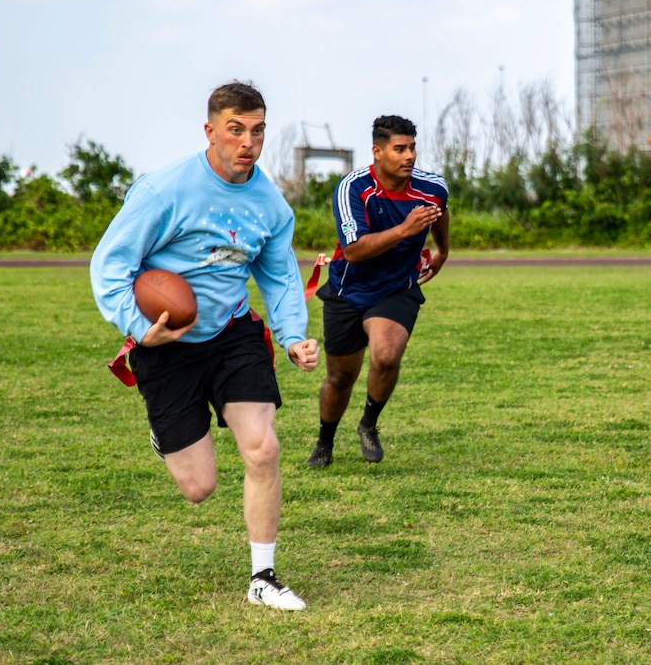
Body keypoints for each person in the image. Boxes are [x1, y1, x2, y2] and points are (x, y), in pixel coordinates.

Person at [90, 81, 318, 610]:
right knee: (198, 487)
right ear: (210, 130)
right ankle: (167, 430)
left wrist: (292, 338)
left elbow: (281, 277)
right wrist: (136, 324)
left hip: (233, 334)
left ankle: (263, 576)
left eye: (258, 131)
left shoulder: (270, 206)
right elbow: (111, 265)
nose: (248, 142)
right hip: (166, 342)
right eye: (235, 129)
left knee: (262, 447)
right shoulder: (164, 190)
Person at [306, 115, 449, 469]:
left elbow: (440, 212)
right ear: (378, 152)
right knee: (340, 377)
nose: (409, 156)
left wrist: (442, 250)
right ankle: (325, 441)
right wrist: (404, 230)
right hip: (347, 289)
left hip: (397, 289)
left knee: (386, 355)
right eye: (399, 149)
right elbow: (353, 249)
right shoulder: (353, 188)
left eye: (412, 147)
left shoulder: (432, 188)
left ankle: (369, 424)